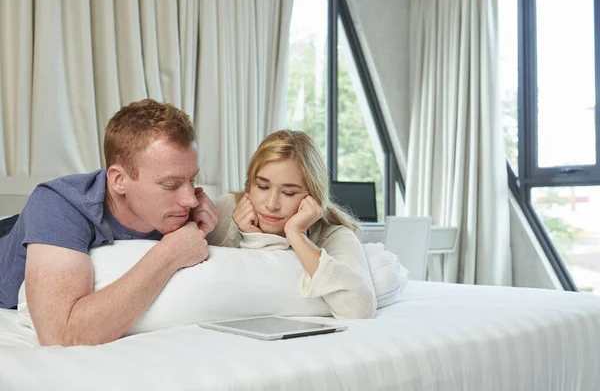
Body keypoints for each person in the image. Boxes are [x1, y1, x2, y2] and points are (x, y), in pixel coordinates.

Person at [0, 99, 218, 346]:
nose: (190, 199)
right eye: (171, 185)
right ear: (118, 180)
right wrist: (170, 254)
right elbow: (62, 335)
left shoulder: (185, 208)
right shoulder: (58, 203)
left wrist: (204, 232)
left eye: (192, 179)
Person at [207, 130, 376, 319]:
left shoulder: (334, 235)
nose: (271, 204)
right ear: (249, 185)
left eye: (288, 193)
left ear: (313, 195)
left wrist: (297, 235)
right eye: (262, 187)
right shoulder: (228, 209)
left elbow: (359, 311)